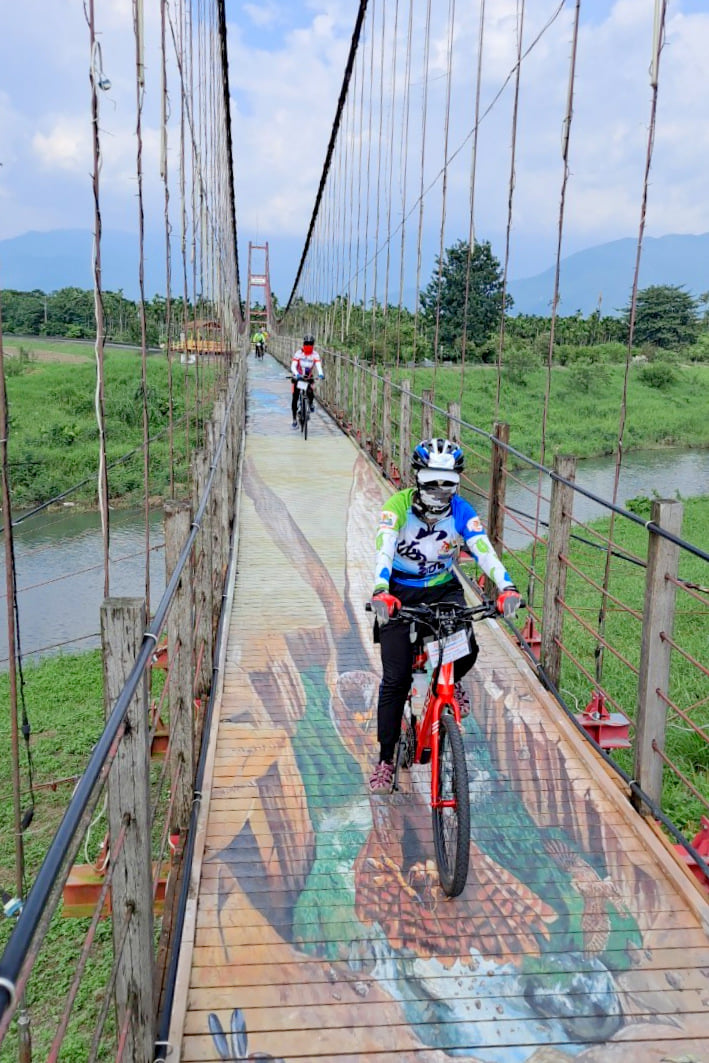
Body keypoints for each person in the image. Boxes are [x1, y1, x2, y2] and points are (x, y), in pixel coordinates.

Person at [368, 437, 521, 793]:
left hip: (442, 588)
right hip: (399, 592)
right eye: (432, 480)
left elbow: (483, 550)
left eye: (448, 482)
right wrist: (380, 591)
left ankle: (450, 684)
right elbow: (384, 549)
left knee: (467, 647)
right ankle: (386, 759)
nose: (439, 490)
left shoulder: (463, 511)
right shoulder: (397, 507)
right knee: (395, 680)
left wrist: (506, 586)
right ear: (417, 477)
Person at [290, 334, 324, 427]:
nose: (308, 346)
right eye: (306, 344)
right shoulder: (298, 353)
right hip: (299, 376)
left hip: (308, 377)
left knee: (310, 392)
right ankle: (294, 419)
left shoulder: (315, 354)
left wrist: (321, 374)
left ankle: (311, 403)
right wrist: (296, 374)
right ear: (303, 344)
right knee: (295, 398)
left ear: (313, 345)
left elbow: (318, 366)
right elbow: (293, 365)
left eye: (310, 344)